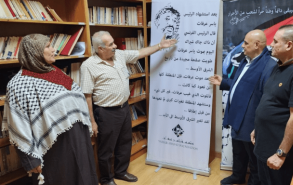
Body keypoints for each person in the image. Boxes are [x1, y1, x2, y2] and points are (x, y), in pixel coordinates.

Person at [80, 31, 177, 185]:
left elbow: (140, 53)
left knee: (124, 142)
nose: (115, 46)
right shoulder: (89, 66)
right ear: (100, 48)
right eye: (111, 44)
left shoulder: (119, 55)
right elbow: (87, 96)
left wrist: (160, 46)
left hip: (124, 108)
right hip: (106, 112)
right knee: (106, 148)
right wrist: (92, 121)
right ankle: (106, 179)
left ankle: (121, 172)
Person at [1, 34, 98, 185]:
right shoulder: (19, 84)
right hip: (55, 149)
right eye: (48, 46)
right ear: (34, 52)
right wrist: (31, 160)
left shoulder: (55, 72)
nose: (54, 49)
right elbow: (18, 125)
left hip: (79, 139)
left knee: (85, 177)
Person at [251, 25, 293, 185]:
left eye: (275, 41)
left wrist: (281, 154)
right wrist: (258, 128)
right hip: (263, 147)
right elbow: (272, 101)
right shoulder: (280, 67)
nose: (270, 45)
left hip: (279, 155)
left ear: (289, 45)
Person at [209, 30, 276, 185]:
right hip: (237, 115)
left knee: (253, 156)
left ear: (257, 45)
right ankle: (237, 176)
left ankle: (254, 181)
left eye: (246, 43)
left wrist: (259, 124)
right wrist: (223, 82)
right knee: (238, 151)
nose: (242, 46)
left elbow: (267, 97)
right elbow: (240, 84)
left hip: (251, 119)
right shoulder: (247, 60)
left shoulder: (269, 65)